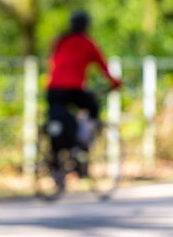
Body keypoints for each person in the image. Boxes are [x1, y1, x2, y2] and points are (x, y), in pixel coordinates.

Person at [45, 10, 121, 157]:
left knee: (55, 115)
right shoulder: (88, 44)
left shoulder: (60, 41)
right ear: (87, 26)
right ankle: (82, 140)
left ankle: (55, 151)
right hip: (74, 89)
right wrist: (116, 83)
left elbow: (52, 63)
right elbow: (103, 67)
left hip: (53, 89)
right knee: (92, 108)